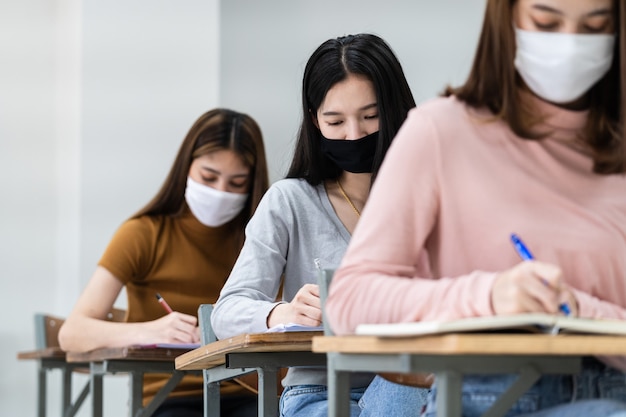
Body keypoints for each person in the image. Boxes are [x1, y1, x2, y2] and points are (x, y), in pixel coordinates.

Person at [327, 0, 626, 416]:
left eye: (594, 27)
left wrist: (582, 309)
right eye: (546, 22)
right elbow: (350, 301)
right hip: (493, 398)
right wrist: (490, 294)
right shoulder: (441, 132)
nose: (571, 44)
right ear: (506, 21)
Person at [210, 33, 428, 417]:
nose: (355, 134)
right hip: (321, 396)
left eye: (370, 116)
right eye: (335, 120)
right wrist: (282, 314)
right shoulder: (290, 201)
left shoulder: (431, 200)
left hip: (419, 386)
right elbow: (226, 311)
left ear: (397, 111)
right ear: (315, 121)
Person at [58, 108, 269, 417]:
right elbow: (71, 333)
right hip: (168, 398)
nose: (220, 193)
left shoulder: (259, 238)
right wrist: (150, 332)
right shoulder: (143, 234)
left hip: (248, 391)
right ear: (186, 167)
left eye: (237, 183)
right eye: (208, 177)